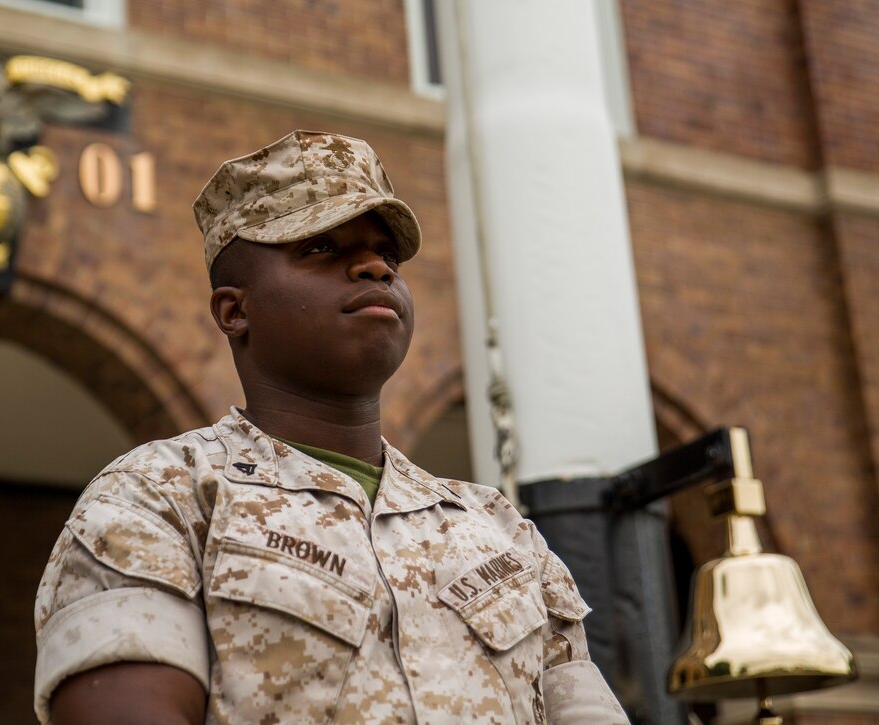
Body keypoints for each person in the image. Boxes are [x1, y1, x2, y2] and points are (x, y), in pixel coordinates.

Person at [33, 130, 628, 724]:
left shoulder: (501, 532)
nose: (374, 267)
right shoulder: (160, 497)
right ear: (234, 310)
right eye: (321, 248)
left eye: (386, 255)